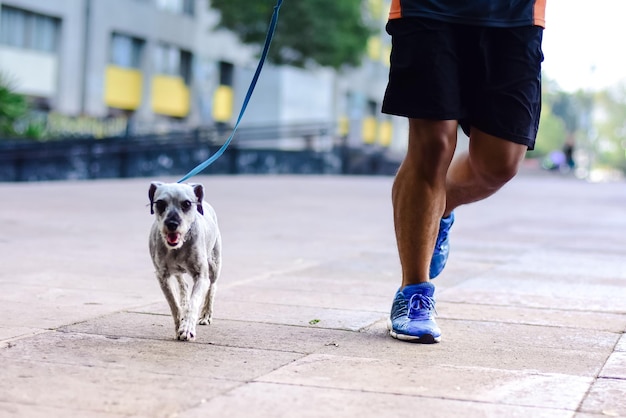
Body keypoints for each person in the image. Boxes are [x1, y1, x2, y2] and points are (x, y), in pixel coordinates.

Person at [382, 0, 546, 343]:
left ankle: (437, 211)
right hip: (427, 9)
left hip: (515, 16)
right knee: (433, 145)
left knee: (499, 164)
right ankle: (414, 292)